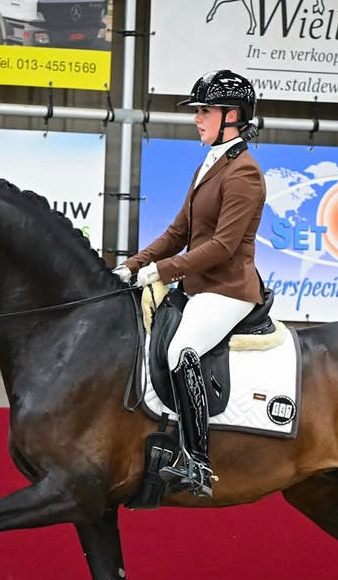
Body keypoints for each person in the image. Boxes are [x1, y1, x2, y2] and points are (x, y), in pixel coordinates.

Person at [114, 69, 267, 499]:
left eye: (205, 111)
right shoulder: (210, 164)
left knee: (184, 352)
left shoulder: (245, 174)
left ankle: (197, 460)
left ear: (232, 116)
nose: (197, 119)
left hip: (228, 289)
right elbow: (178, 230)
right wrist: (131, 266)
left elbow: (222, 245)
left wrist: (163, 271)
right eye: (198, 111)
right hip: (198, 286)